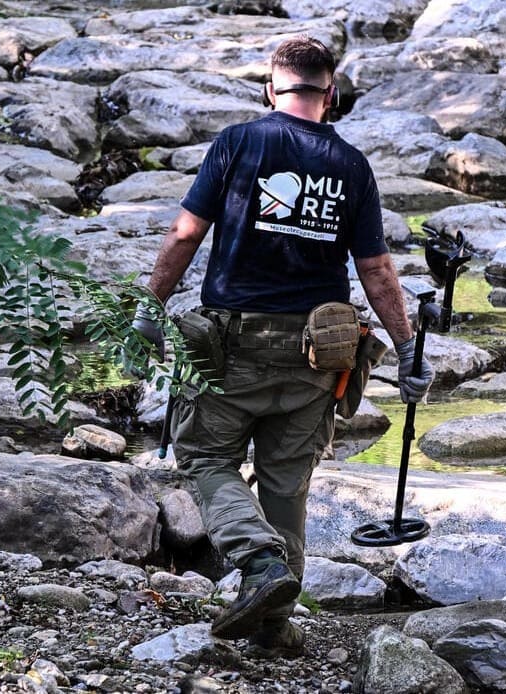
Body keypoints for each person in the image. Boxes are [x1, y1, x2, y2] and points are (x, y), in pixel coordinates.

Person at [130, 35, 434, 657]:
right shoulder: (351, 163)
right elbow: (376, 270)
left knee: (208, 460)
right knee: (285, 486)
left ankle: (258, 561)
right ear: (333, 94)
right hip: (316, 358)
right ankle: (274, 626)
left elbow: (187, 233)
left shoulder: (239, 142)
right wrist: (407, 348)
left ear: (271, 88)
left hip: (230, 352)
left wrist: (149, 306)